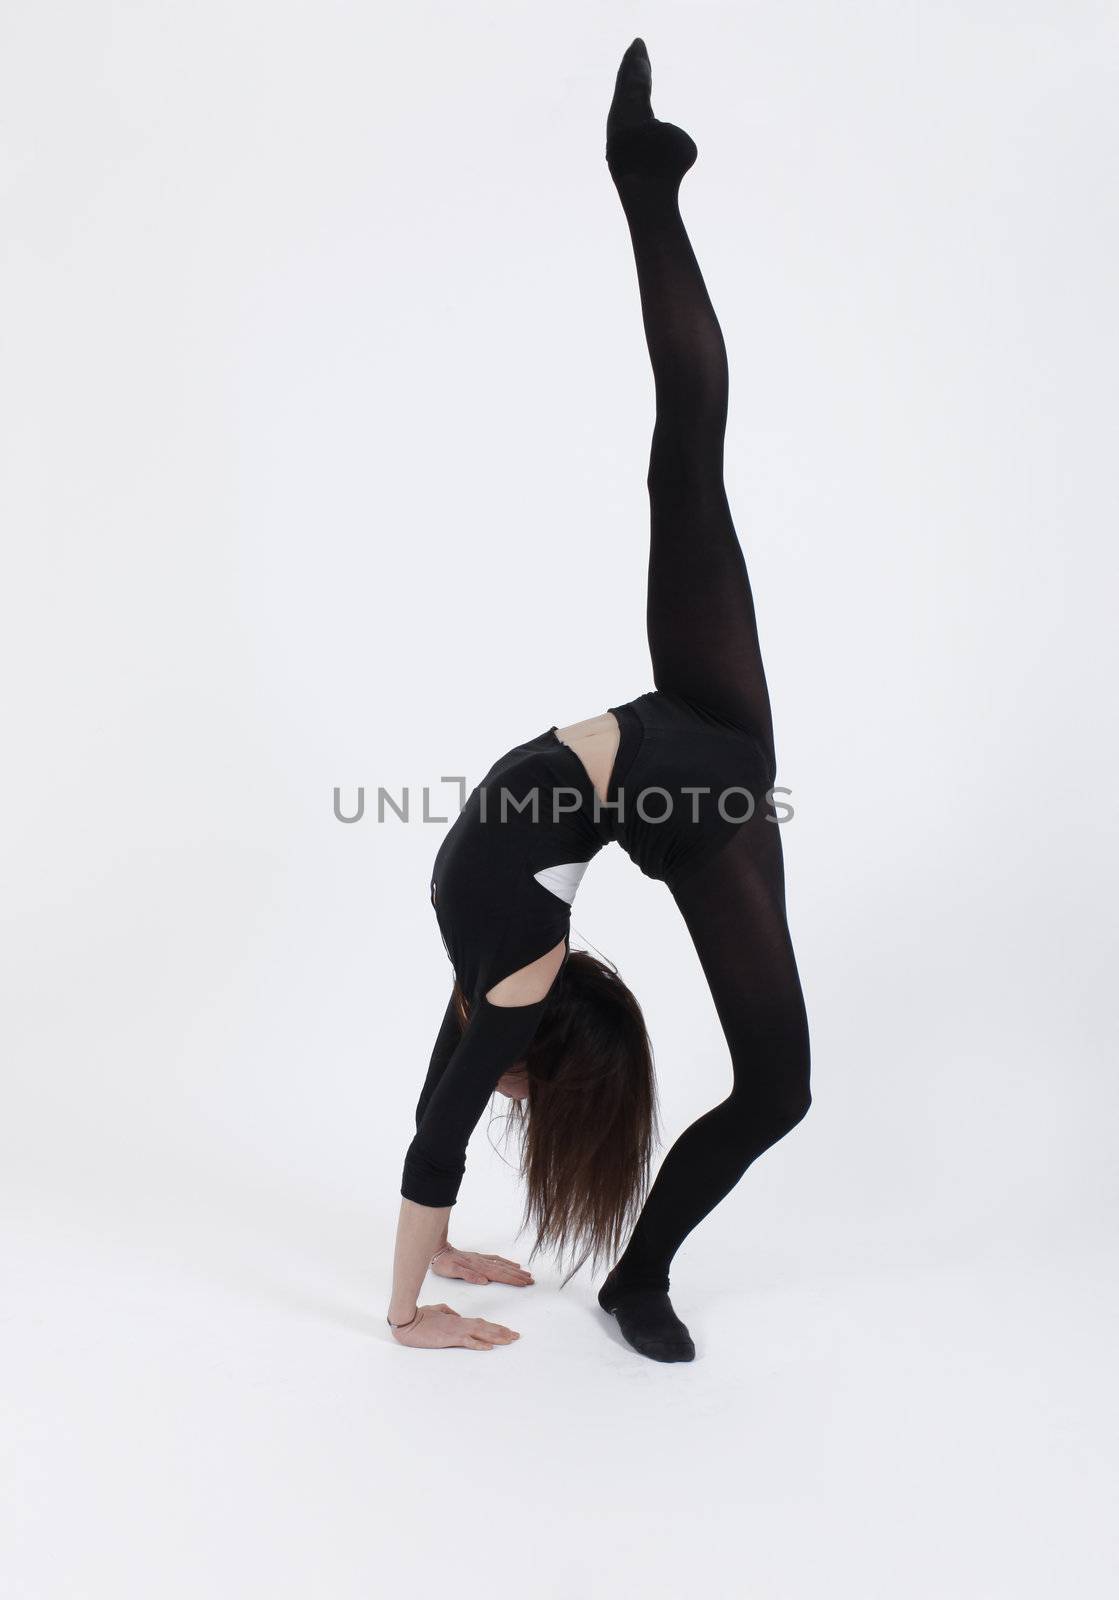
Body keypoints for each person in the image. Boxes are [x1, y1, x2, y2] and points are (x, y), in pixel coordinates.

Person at [385, 39, 811, 1361]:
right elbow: (438, 1120)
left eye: (518, 1095)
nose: (504, 1100)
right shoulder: (480, 957)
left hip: (701, 779)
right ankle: (645, 190)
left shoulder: (507, 985)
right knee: (687, 454)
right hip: (662, 731)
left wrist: (409, 1313)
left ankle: (639, 1278)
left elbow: (439, 1128)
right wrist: (436, 1236)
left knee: (779, 1089)